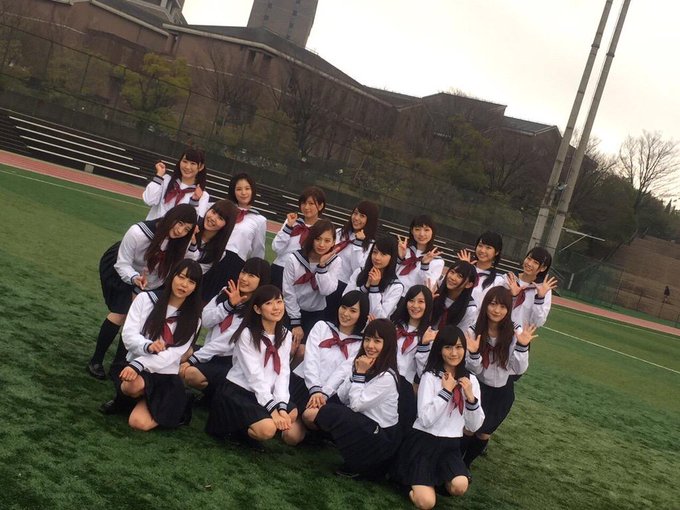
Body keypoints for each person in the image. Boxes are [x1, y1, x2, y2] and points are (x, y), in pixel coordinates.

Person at [88, 204, 197, 379]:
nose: (180, 231)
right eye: (180, 223)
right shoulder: (138, 232)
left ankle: (120, 366)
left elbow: (189, 264)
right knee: (121, 312)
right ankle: (96, 360)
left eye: (187, 229)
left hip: (152, 277)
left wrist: (192, 243)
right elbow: (122, 264)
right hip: (123, 269)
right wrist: (134, 278)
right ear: (171, 216)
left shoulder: (180, 242)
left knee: (138, 318)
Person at [392, 326, 484, 508]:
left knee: (460, 486)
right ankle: (405, 481)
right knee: (426, 503)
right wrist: (446, 392)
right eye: (448, 347)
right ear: (439, 349)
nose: (454, 353)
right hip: (423, 442)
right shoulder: (430, 376)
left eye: (459, 347)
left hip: (450, 445)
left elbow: (474, 426)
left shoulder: (471, 381)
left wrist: (471, 399)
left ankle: (433, 481)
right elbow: (425, 419)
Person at [205, 285, 305, 448]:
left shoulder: (285, 335)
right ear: (258, 309)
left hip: (265, 392)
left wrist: (280, 406)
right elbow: (254, 375)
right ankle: (240, 432)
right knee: (268, 429)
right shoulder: (246, 334)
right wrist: (272, 408)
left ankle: (259, 424)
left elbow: (283, 372)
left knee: (290, 412)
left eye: (279, 302)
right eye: (269, 303)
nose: (276, 308)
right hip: (240, 390)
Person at [306, 319, 401, 478]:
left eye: (377, 341)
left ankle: (360, 465)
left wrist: (359, 374)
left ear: (388, 344)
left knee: (316, 414)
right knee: (313, 412)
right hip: (363, 423)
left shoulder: (387, 377)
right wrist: (355, 373)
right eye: (367, 339)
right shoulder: (365, 363)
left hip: (380, 437)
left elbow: (356, 405)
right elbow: (343, 397)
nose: (370, 345)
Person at [117, 259, 203, 431]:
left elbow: (173, 355)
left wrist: (140, 363)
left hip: (165, 374)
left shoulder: (193, 319)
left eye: (191, 282)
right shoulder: (145, 299)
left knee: (138, 423)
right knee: (130, 386)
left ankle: (180, 402)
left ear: (195, 288)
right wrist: (147, 347)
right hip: (138, 365)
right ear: (172, 276)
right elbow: (128, 335)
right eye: (181, 277)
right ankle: (141, 400)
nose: (184, 284)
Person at [462, 287, 537, 468]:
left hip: (502, 391)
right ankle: (455, 463)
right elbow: (474, 368)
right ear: (486, 305)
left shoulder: (515, 332)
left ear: (508, 309)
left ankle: (466, 464)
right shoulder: (474, 330)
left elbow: (519, 369)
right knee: (468, 429)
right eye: (493, 304)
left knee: (484, 433)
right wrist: (474, 353)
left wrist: (522, 346)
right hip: (478, 387)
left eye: (503, 306)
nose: (497, 310)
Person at [181, 258, 271, 400]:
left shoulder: (257, 310)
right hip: (210, 351)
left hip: (230, 361)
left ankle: (214, 396)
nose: (244, 278)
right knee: (180, 354)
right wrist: (228, 305)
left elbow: (226, 342)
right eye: (243, 272)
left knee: (191, 373)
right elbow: (205, 320)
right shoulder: (226, 292)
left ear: (262, 281)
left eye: (251, 275)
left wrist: (193, 360)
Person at [290, 290, 369, 414]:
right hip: (303, 382)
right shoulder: (322, 327)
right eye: (343, 307)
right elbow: (311, 359)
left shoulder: (360, 345)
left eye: (353, 311)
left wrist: (323, 394)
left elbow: (342, 372)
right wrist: (314, 389)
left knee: (303, 421)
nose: (346, 313)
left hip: (327, 395)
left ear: (362, 314)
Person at [281, 219, 340, 354]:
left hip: (316, 314)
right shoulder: (294, 259)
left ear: (333, 242)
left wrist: (322, 267)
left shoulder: (335, 261)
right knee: (287, 349)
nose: (322, 244)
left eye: (327, 240)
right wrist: (296, 322)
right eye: (318, 239)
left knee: (304, 353)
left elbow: (326, 291)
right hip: (291, 311)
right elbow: (288, 292)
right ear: (311, 238)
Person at [210, 173, 267, 292]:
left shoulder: (259, 220)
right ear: (233, 191)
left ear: (253, 190)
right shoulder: (225, 210)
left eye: (247, 188)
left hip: (235, 264)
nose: (243, 193)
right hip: (213, 256)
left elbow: (258, 250)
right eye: (239, 189)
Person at [389, 285, 435, 431]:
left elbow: (423, 371)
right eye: (411, 300)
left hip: (405, 386)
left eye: (421, 301)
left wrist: (423, 346)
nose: (415, 306)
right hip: (383, 376)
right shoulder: (394, 325)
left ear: (428, 305)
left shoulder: (430, 335)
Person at [326, 201, 379, 317]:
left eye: (362, 216)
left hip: (344, 287)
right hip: (325, 280)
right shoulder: (339, 233)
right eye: (355, 213)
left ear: (370, 220)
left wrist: (358, 244)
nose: (356, 218)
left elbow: (357, 269)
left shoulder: (371, 246)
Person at [270, 186, 326, 290]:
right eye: (304, 203)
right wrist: (288, 227)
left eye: (311, 203)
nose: (306, 207)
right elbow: (276, 248)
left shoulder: (322, 230)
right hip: (279, 269)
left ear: (320, 206)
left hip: (299, 277)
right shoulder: (292, 222)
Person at [186, 199, 238, 302]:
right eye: (213, 212)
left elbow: (194, 271)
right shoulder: (190, 228)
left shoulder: (219, 252)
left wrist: (193, 245)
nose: (213, 218)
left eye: (220, 218)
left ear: (226, 226)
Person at [343, 236, 404, 319]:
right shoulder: (359, 272)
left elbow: (380, 316)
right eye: (375, 252)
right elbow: (345, 300)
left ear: (392, 257)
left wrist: (374, 288)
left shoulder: (396, 286)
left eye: (383, 254)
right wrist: (366, 286)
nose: (377, 257)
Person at [142, 147, 210, 221]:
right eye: (185, 161)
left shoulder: (202, 195)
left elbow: (193, 221)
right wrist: (159, 176)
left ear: (201, 167)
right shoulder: (166, 180)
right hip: (153, 227)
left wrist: (194, 201)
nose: (187, 167)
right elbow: (148, 200)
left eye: (193, 163)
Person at [504, 247, 558, 328]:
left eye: (535, 262)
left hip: (521, 335)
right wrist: (511, 295)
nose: (529, 264)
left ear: (543, 268)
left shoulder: (543, 289)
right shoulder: (508, 279)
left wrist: (540, 298)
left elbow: (538, 323)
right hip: (498, 332)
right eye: (529, 259)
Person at [396, 215, 444, 297]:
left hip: (413, 299)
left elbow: (428, 287)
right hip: (392, 294)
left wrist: (425, 265)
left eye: (426, 230)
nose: (421, 234)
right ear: (412, 231)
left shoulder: (437, 261)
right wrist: (399, 258)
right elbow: (390, 273)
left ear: (433, 232)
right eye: (417, 229)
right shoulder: (403, 249)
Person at [459, 231, 505, 308]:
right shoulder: (464, 268)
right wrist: (464, 269)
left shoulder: (498, 280)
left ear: (497, 252)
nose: (482, 250)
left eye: (488, 248)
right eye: (480, 246)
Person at [430, 261, 478, 331]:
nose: (452, 278)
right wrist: (428, 303)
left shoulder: (470, 308)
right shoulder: (435, 292)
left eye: (459, 276)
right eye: (452, 272)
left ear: (468, 285)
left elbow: (459, 332)